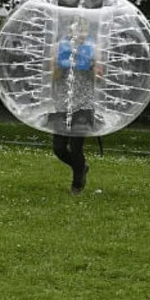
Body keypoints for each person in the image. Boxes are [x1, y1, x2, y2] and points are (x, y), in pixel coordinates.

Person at [49, 17, 102, 195]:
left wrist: (94, 67)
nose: (80, 34)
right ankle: (81, 168)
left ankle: (77, 184)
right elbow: (53, 76)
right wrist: (59, 63)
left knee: (76, 146)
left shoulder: (93, 49)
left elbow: (99, 78)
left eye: (84, 30)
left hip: (84, 103)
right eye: (76, 30)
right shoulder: (59, 47)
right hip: (62, 104)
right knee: (58, 148)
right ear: (69, 31)